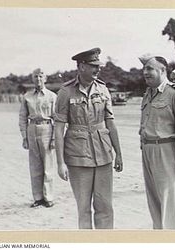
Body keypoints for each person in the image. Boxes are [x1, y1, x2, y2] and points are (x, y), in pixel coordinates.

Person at [54, 48, 123, 229]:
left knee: (105, 207)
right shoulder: (65, 92)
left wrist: (119, 154)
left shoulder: (103, 89)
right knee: (83, 208)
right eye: (93, 66)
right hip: (78, 156)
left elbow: (111, 123)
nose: (97, 69)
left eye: (98, 66)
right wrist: (60, 163)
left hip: (103, 154)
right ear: (82, 66)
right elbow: (59, 128)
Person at [139, 54, 175, 229]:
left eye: (149, 68)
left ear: (163, 70)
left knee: (171, 205)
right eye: (144, 69)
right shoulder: (148, 94)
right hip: (149, 150)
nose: (145, 72)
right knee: (155, 203)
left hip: (167, 152)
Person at [19, 68, 57, 208]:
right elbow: (22, 117)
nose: (38, 79)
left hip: (47, 128)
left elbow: (58, 119)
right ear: (32, 79)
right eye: (36, 77)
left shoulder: (52, 96)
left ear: (45, 79)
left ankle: (49, 197)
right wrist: (24, 136)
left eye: (41, 76)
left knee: (48, 165)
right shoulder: (27, 97)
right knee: (35, 166)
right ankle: (38, 198)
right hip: (32, 129)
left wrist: (54, 138)